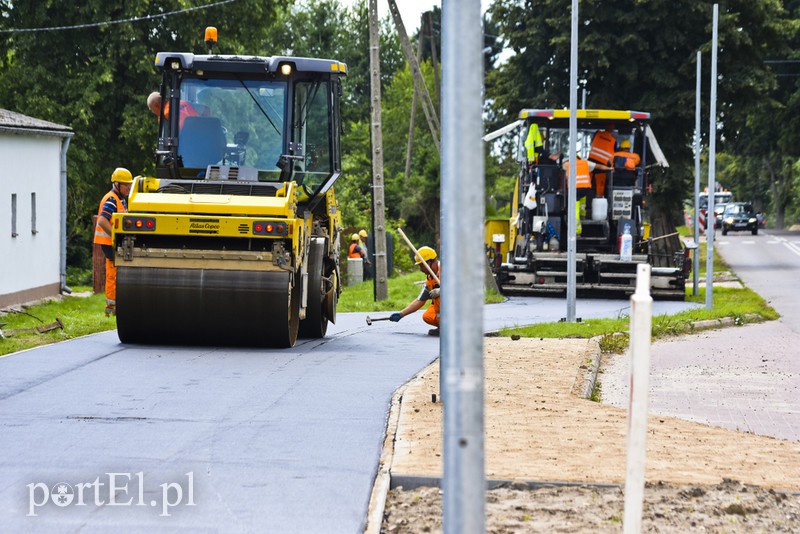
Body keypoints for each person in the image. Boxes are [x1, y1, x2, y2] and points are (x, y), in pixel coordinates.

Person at [93, 168, 132, 317]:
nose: (128, 188)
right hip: (109, 243)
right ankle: (112, 307)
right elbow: (102, 221)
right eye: (125, 185)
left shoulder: (120, 199)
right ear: (117, 184)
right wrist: (115, 236)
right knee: (113, 274)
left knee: (115, 273)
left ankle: (113, 306)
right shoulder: (111, 199)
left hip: (112, 243)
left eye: (129, 185)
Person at [389, 246, 440, 336]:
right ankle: (443, 328)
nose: (420, 269)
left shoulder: (449, 270)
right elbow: (419, 301)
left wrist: (443, 291)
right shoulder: (429, 281)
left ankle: (457, 327)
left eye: (421, 265)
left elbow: (463, 287)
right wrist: (401, 314)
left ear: (429, 262)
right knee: (427, 316)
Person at [588, 124, 616, 197]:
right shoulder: (613, 141)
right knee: (600, 186)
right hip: (603, 166)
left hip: (591, 162)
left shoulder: (597, 134)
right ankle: (599, 200)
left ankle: (587, 200)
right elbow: (613, 155)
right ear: (612, 130)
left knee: (588, 183)